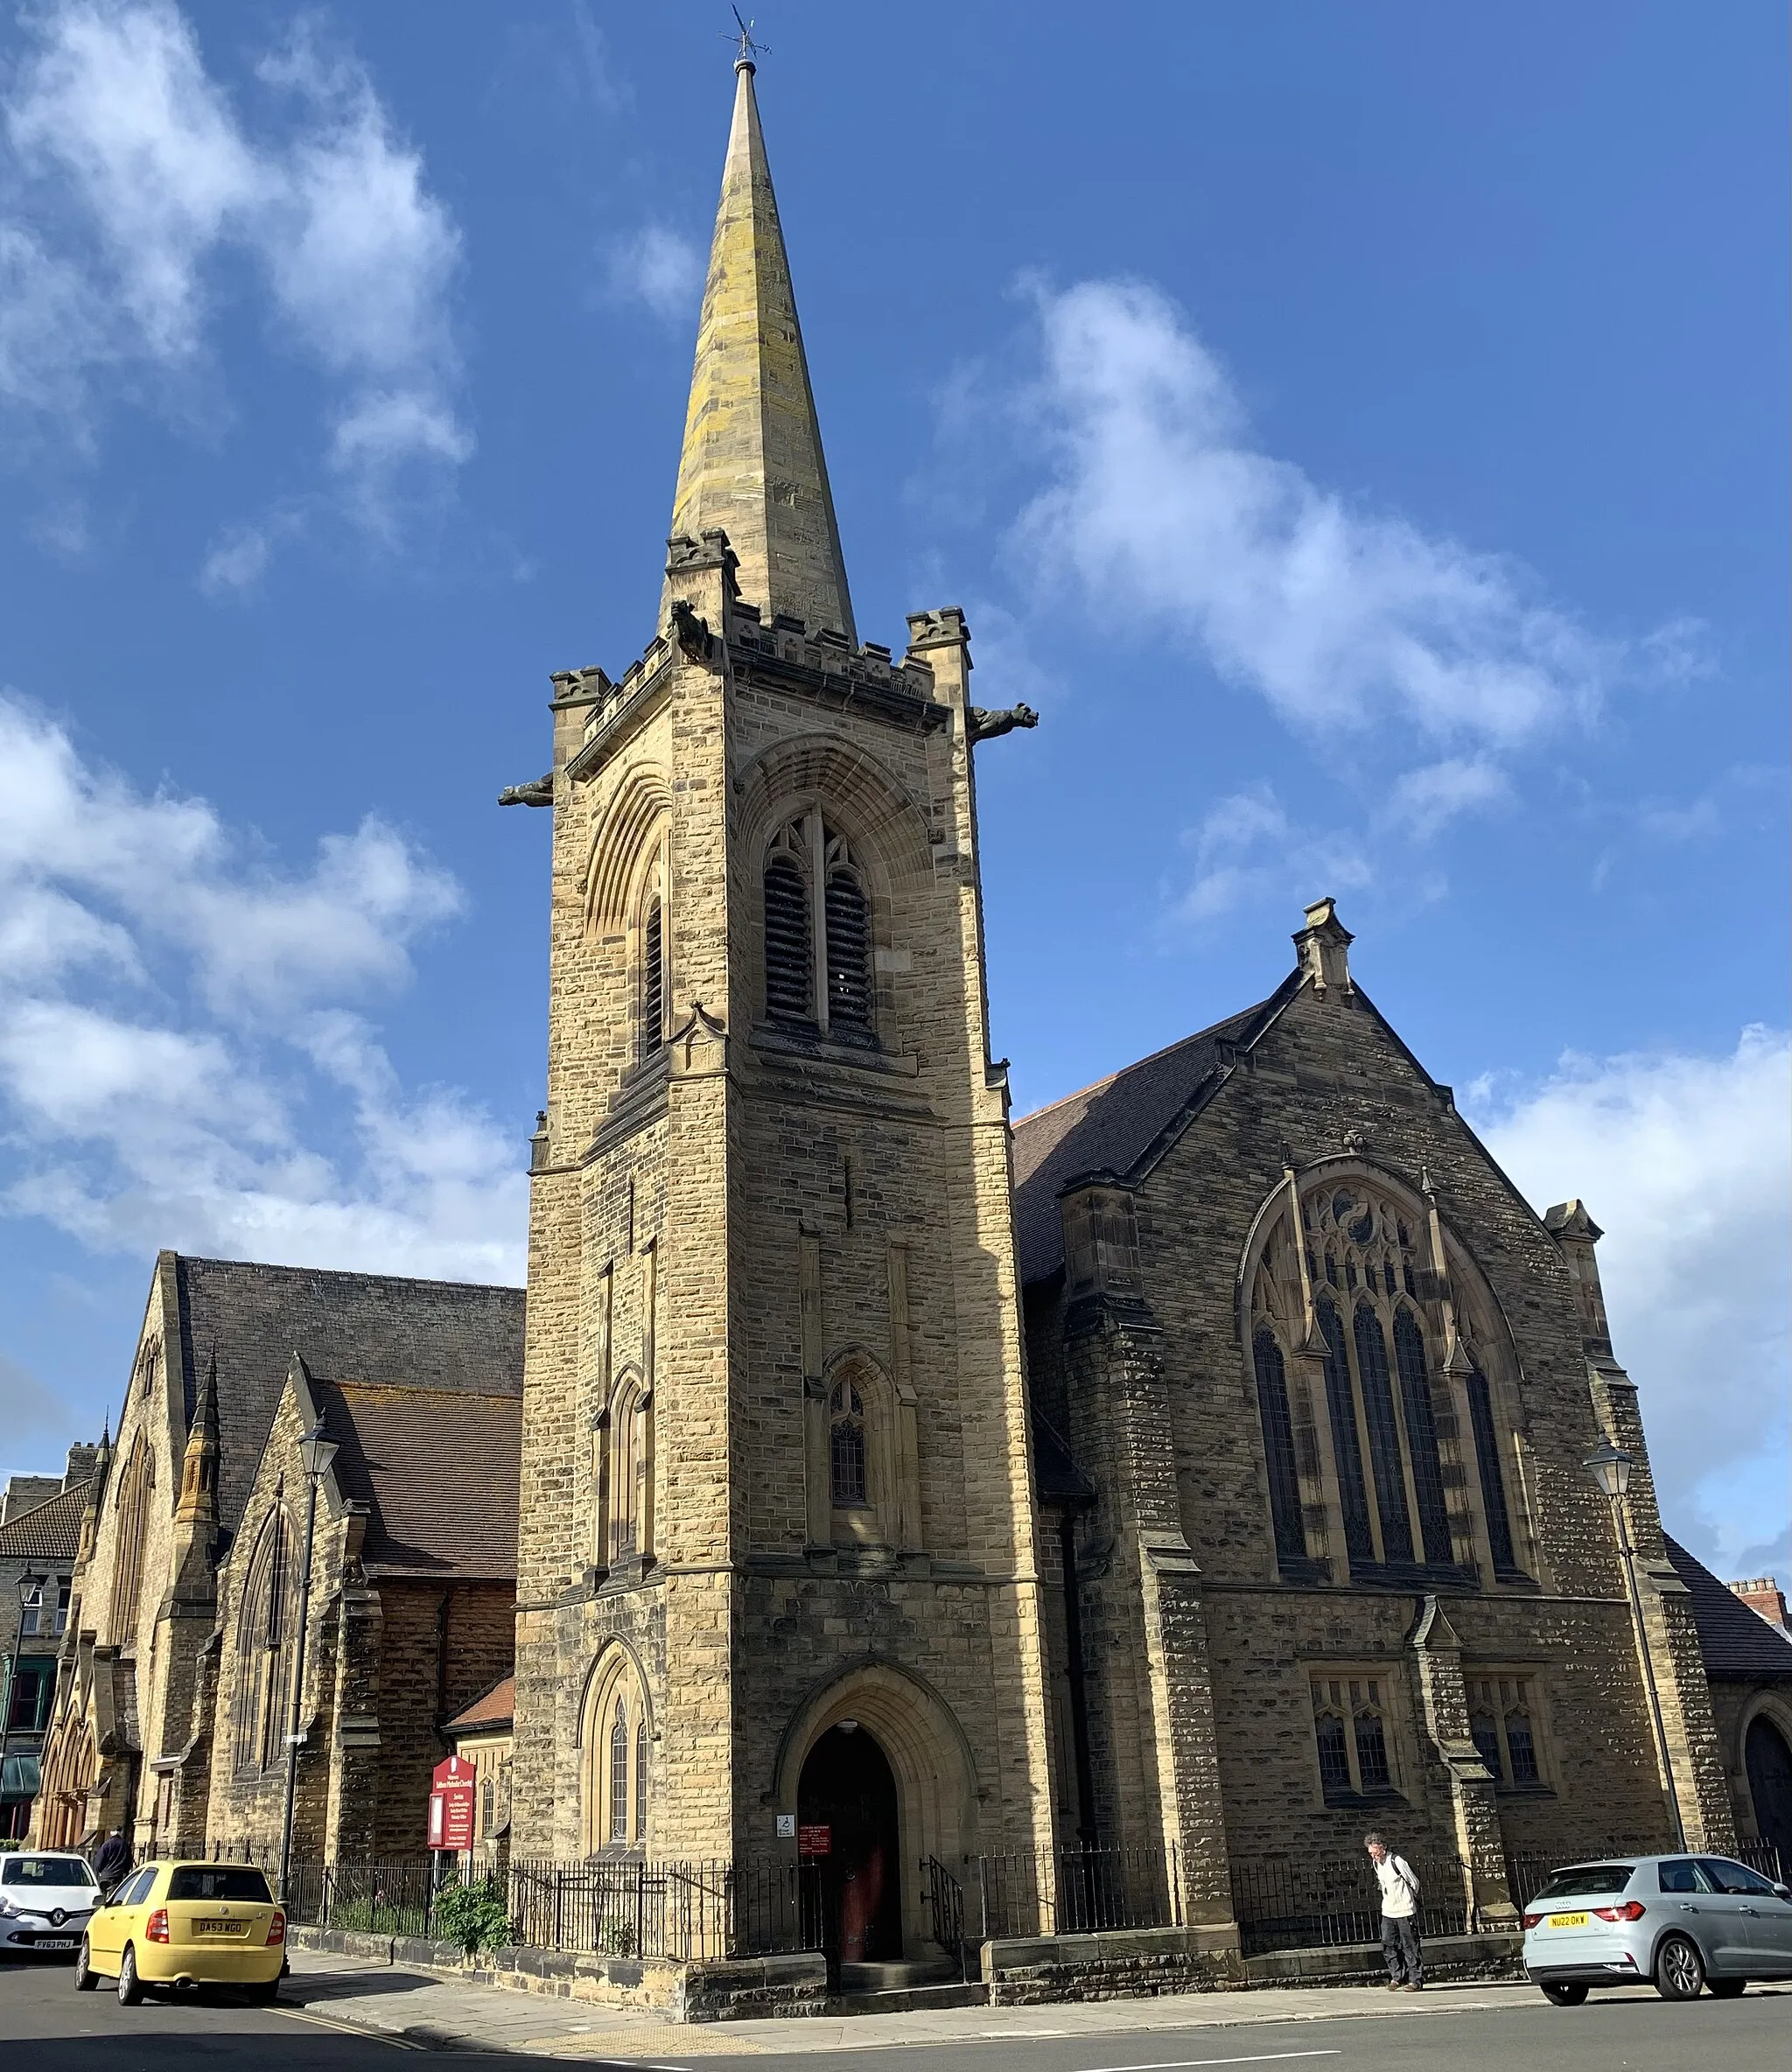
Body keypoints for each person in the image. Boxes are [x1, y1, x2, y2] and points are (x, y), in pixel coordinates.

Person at [1365, 1831, 1422, 1990]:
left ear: (1383, 1848)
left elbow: (1414, 1882)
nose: (1373, 1856)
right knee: (1388, 1945)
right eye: (1371, 1853)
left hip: (1405, 1910)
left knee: (1410, 1946)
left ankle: (1415, 1981)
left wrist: (1407, 1900)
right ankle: (1398, 1977)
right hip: (1388, 1911)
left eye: (1375, 1853)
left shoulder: (1397, 1861)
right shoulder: (1376, 1864)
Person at [93, 1827, 132, 1894]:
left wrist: (99, 1870)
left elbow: (99, 1860)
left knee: (102, 1896)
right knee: (113, 1896)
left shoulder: (106, 1844)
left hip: (105, 1875)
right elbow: (128, 1861)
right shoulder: (125, 1845)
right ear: (121, 1833)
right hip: (117, 1875)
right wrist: (126, 1871)